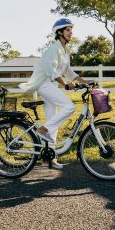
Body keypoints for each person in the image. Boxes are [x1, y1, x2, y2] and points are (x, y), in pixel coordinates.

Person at [19, 18, 88, 169]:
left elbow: (69, 72)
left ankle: (48, 159)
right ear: (60, 33)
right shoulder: (54, 49)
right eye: (68, 30)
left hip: (50, 85)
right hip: (44, 84)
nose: (71, 32)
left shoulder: (65, 50)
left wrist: (86, 82)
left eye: (71, 29)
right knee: (69, 107)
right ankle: (42, 130)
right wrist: (65, 85)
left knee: (53, 121)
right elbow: (52, 70)